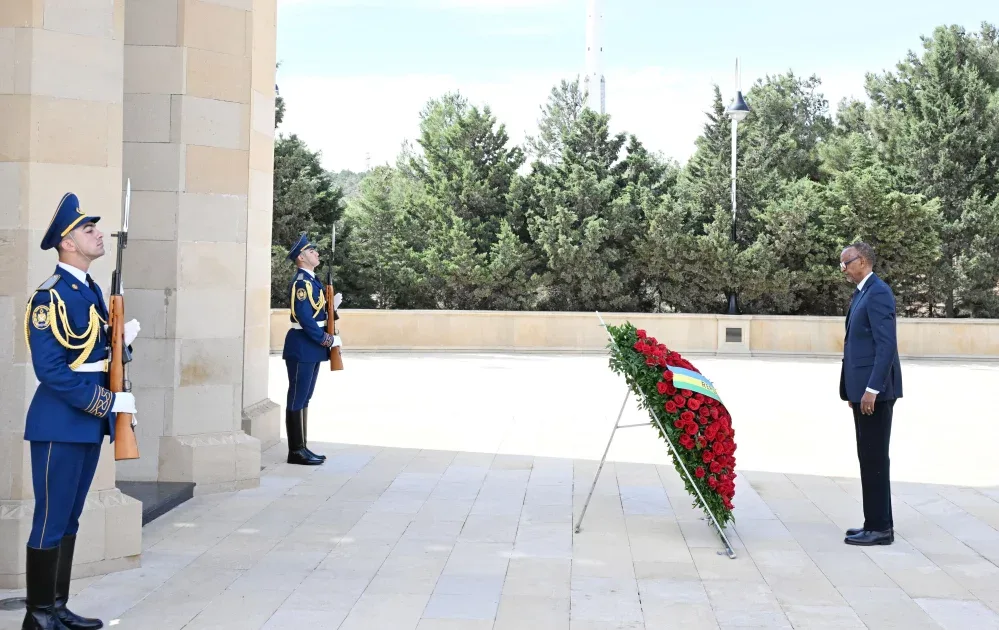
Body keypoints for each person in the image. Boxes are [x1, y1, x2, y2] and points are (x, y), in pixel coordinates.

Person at [22, 193, 140, 630]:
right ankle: (37, 616)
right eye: (88, 229)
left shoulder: (89, 288)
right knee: (51, 518)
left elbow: (91, 351)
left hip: (87, 422)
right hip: (60, 421)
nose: (98, 234)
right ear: (67, 243)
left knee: (69, 518)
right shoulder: (49, 296)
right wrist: (107, 402)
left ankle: (56, 606)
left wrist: (121, 343)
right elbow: (50, 370)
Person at [839, 242, 902, 546]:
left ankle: (880, 529)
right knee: (869, 456)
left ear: (862, 261)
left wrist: (871, 389)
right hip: (862, 391)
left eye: (846, 262)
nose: (843, 269)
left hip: (874, 393)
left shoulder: (878, 292)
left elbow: (886, 345)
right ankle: (876, 521)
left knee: (875, 457)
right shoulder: (862, 291)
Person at [282, 233, 342, 466]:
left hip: (311, 346)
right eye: (311, 251)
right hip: (303, 345)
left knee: (305, 396)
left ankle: (302, 447)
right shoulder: (301, 284)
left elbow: (319, 313)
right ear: (301, 257)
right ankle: (295, 451)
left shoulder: (313, 281)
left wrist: (332, 309)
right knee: (297, 397)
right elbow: (305, 319)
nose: (316, 253)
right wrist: (328, 340)